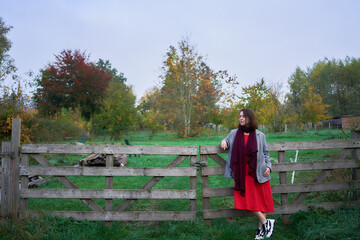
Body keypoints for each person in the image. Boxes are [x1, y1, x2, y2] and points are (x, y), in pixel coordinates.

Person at [221, 108, 275, 239]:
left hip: (259, 172)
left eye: (243, 116)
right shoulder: (234, 133)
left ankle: (260, 231)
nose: (241, 118)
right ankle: (266, 221)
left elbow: (266, 153)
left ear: (250, 118)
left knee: (261, 202)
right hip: (242, 174)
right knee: (246, 200)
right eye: (240, 116)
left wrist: (269, 166)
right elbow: (227, 141)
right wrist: (224, 141)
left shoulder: (260, 135)